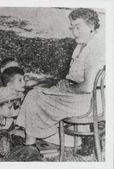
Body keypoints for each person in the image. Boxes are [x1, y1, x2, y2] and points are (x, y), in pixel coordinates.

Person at [16, 8, 105, 147]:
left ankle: (30, 144)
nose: (74, 32)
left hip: (87, 101)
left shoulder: (95, 49)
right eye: (72, 27)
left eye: (78, 27)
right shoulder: (83, 45)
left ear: (91, 26)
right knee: (40, 90)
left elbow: (88, 86)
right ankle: (36, 134)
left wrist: (67, 88)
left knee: (34, 96)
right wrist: (54, 84)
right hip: (82, 97)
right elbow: (73, 77)